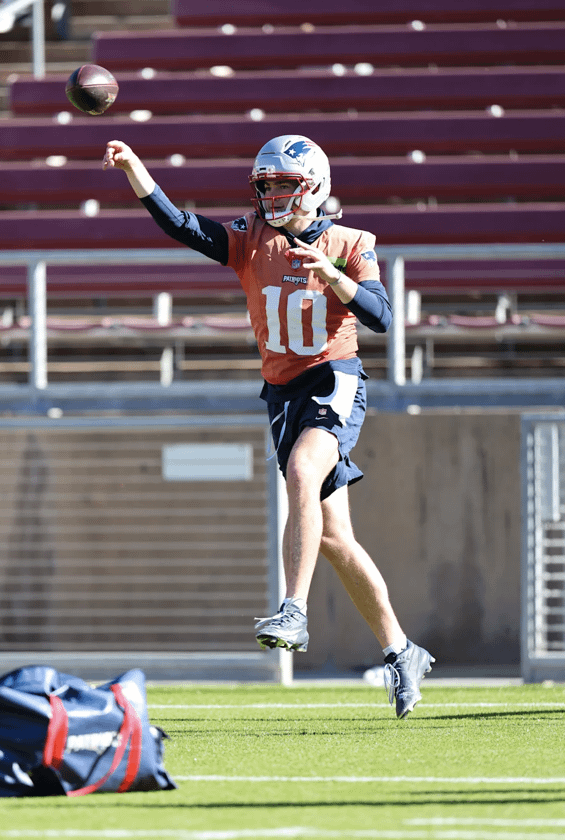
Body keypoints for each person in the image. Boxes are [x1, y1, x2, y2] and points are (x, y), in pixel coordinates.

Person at [102, 134, 435, 718]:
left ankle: (294, 611)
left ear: (315, 186)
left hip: (334, 377)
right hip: (281, 393)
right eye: (266, 185)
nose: (273, 195)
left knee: (304, 471)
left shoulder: (350, 242)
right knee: (333, 539)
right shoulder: (251, 238)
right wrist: (136, 169)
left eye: (284, 183)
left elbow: (381, 316)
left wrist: (331, 275)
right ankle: (402, 650)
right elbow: (183, 225)